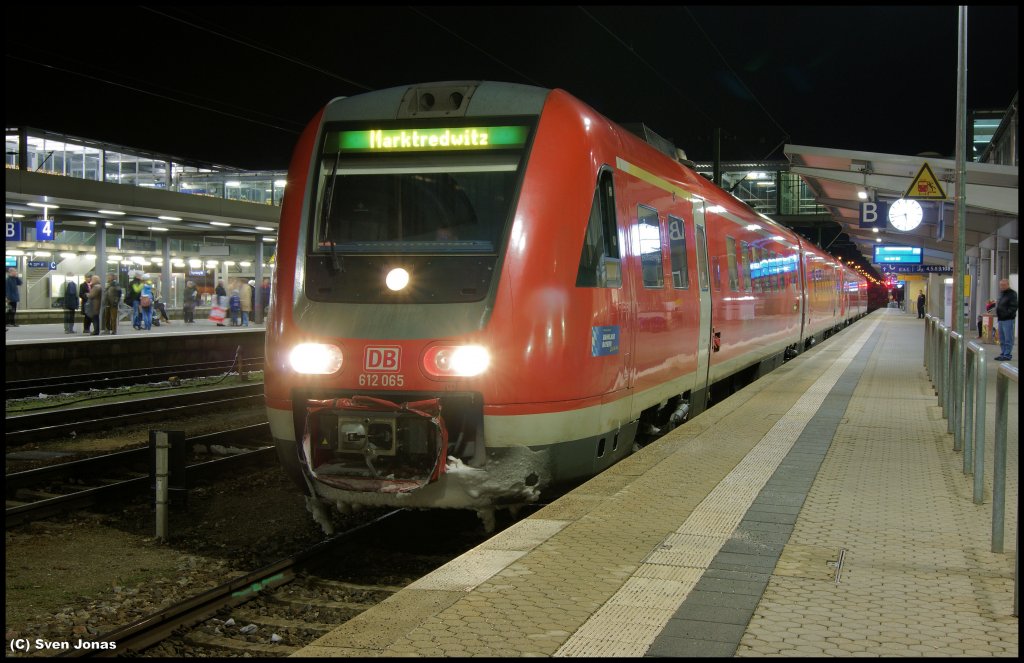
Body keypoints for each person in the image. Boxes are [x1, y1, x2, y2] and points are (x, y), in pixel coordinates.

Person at [995, 279, 1018, 362]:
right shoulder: (1002, 294)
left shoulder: (1012, 294)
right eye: (1001, 285)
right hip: (1001, 319)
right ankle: (1003, 353)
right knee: (1002, 338)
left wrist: (1007, 314)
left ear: (1008, 284)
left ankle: (1007, 355)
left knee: (1008, 338)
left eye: (1004, 285)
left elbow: (1014, 306)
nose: (1002, 286)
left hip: (1008, 319)